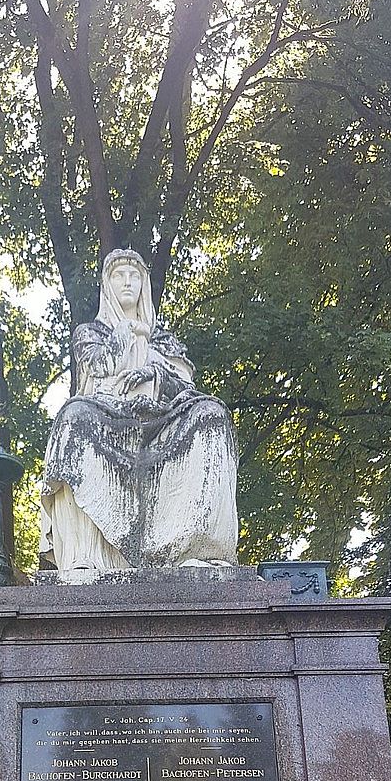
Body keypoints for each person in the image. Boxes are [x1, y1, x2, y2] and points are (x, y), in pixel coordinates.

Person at [40, 248, 239, 580]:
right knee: (72, 417)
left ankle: (199, 551)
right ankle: (89, 556)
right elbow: (98, 366)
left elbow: (185, 385)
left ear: (145, 284)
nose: (128, 282)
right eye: (119, 275)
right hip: (108, 414)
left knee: (212, 414)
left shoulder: (165, 340)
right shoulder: (90, 333)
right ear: (107, 285)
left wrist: (155, 375)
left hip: (164, 418)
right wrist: (129, 332)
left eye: (135, 275)